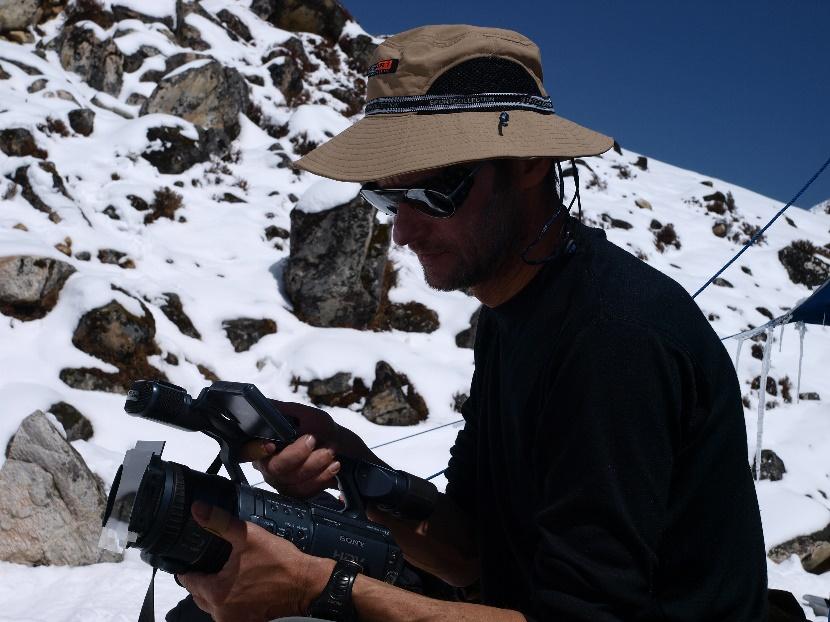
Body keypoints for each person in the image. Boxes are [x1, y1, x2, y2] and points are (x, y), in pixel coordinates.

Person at [177, 24, 769, 621]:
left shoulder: (614, 339)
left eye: (433, 193)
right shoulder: (514, 312)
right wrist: (351, 468)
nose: (403, 232)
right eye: (387, 199)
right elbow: (471, 555)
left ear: (531, 162)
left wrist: (318, 587)